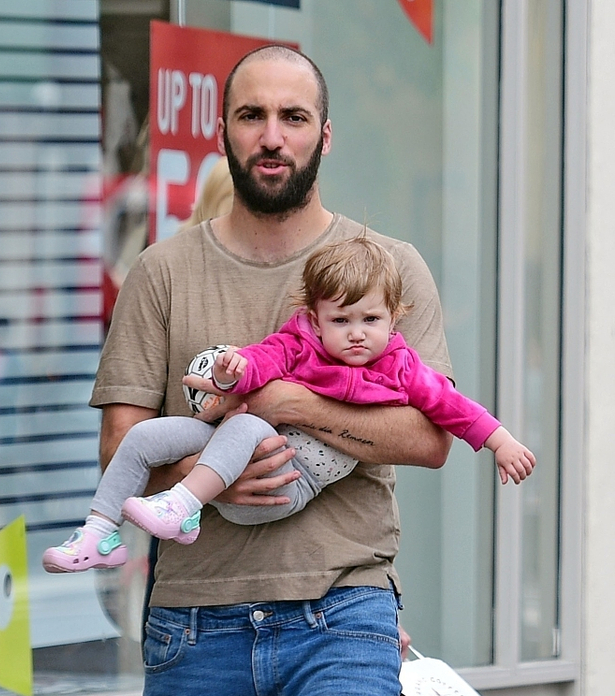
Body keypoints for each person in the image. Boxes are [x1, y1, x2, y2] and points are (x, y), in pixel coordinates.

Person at [89, 44, 455, 696]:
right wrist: (206, 478)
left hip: (343, 614)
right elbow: (119, 443)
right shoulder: (162, 273)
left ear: (325, 135)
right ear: (223, 131)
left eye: (293, 117)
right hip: (195, 623)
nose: (272, 136)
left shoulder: (387, 267)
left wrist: (291, 405)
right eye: (252, 116)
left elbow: (428, 436)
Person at [42, 237, 533, 574]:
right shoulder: (301, 343)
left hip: (290, 481)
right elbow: (262, 360)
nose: (357, 333)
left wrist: (500, 441)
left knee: (249, 424)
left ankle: (184, 507)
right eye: (341, 320)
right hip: (236, 449)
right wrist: (230, 372)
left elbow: (452, 407)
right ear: (315, 321)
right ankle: (99, 533)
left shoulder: (401, 368)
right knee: (145, 436)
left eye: (371, 320)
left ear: (393, 318)